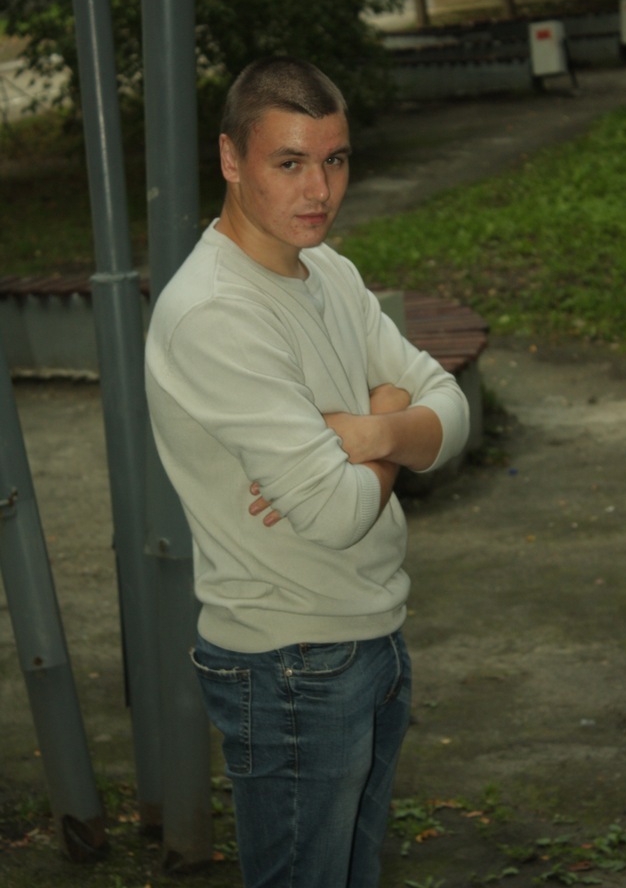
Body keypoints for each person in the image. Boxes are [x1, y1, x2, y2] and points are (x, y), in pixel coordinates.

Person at [145, 57, 470, 888]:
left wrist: (369, 428)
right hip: (290, 664)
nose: (319, 189)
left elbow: (453, 411)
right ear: (230, 158)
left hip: (370, 636)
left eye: (335, 160)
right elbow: (335, 511)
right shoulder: (216, 312)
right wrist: (397, 415)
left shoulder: (328, 270)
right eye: (289, 162)